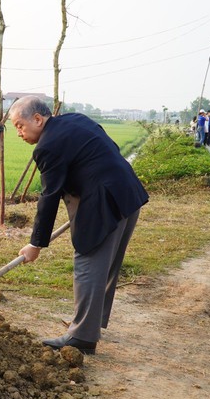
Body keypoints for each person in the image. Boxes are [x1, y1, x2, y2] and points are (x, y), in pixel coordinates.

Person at [9, 96, 149, 355]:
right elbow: (106, 150)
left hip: (105, 201)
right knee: (106, 264)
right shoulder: (75, 120)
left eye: (19, 125)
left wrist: (35, 244)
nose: (18, 132)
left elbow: (49, 197)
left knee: (88, 262)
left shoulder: (47, 146)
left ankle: (82, 337)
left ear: (37, 119)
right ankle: (91, 322)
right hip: (128, 192)